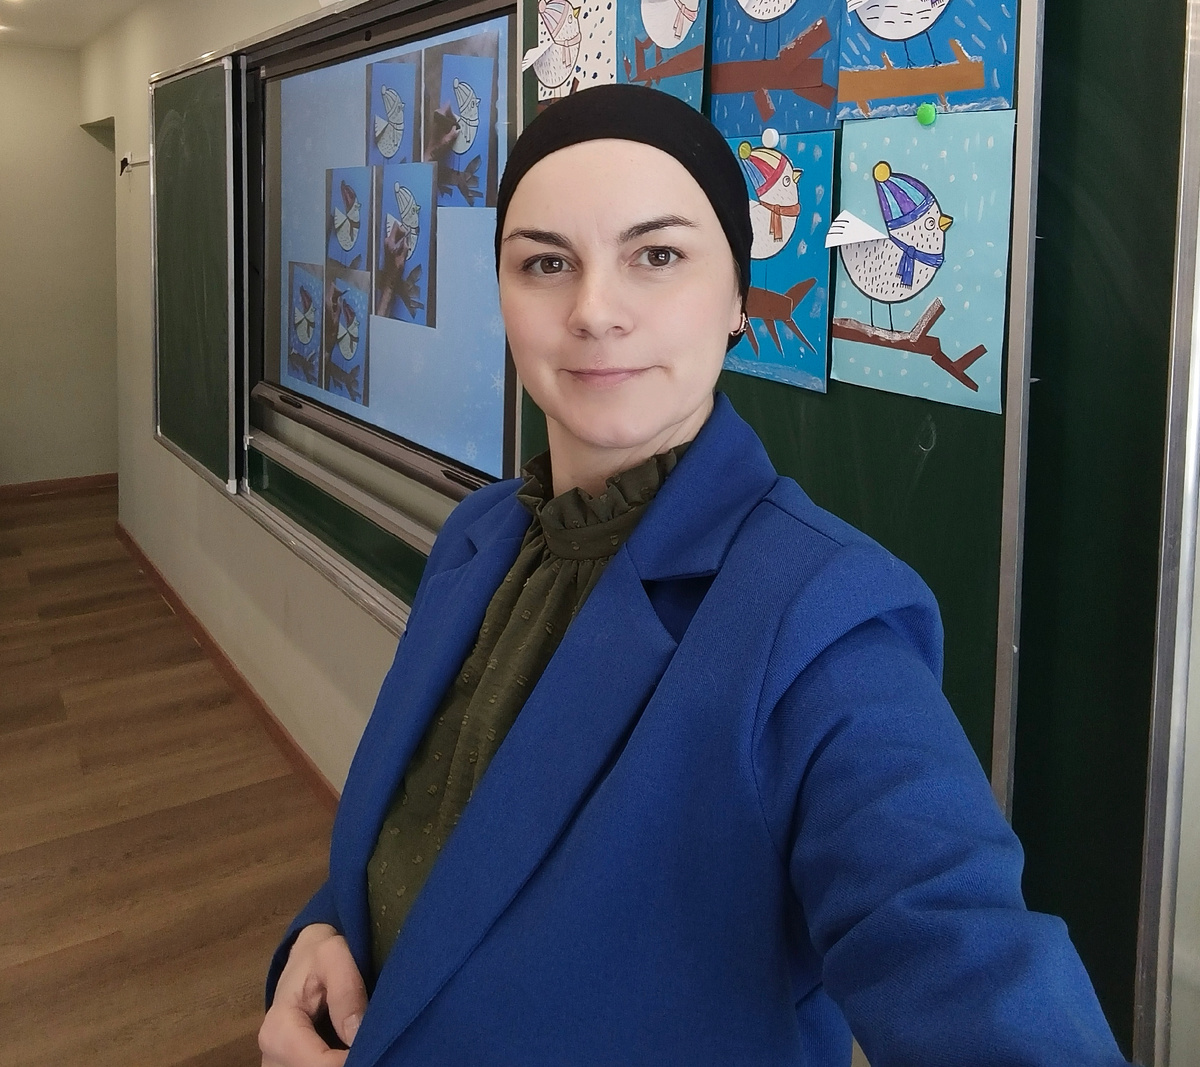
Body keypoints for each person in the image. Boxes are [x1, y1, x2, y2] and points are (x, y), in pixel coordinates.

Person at [259, 85, 1130, 1067]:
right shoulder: (480, 536)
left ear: (739, 300)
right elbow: (430, 820)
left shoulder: (822, 619)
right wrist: (323, 929)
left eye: (658, 256)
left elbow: (962, 956)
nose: (594, 311)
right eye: (546, 262)